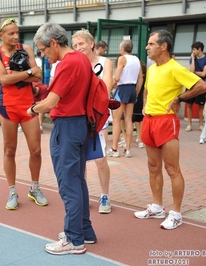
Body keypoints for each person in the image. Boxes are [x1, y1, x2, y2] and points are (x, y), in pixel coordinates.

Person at [29, 21, 97, 255]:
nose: (42, 53)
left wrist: (31, 110)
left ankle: (73, 238)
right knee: (78, 181)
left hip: (67, 126)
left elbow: (51, 102)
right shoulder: (82, 60)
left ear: (54, 43)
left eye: (43, 49)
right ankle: (84, 231)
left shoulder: (68, 63)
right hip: (81, 124)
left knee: (69, 184)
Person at [134, 29, 206, 230]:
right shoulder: (151, 69)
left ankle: (176, 213)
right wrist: (145, 105)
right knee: (153, 167)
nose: (147, 47)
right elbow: (148, 90)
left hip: (166, 121)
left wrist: (180, 98)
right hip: (149, 120)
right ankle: (157, 207)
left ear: (163, 46)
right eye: (147, 44)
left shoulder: (175, 68)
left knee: (172, 169)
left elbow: (202, 85)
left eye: (151, 44)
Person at [0, 18, 47, 210]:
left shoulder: (26, 49)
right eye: (11, 33)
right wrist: (27, 73)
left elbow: (39, 75)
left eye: (17, 33)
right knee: (9, 151)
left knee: (36, 150)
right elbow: (4, 80)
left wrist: (17, 75)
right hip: (8, 107)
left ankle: (35, 187)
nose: (15, 36)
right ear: (1, 35)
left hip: (29, 106)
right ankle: (12, 191)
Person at [71, 29, 114, 214]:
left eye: (81, 44)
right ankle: (84, 194)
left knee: (100, 159)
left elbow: (106, 88)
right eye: (75, 46)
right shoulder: (75, 64)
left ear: (91, 44)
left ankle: (105, 196)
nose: (78, 48)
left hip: (98, 116)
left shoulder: (105, 62)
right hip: (79, 115)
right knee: (81, 160)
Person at [107, 39, 143, 158]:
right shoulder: (137, 59)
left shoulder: (122, 58)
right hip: (132, 89)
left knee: (116, 120)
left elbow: (117, 77)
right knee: (128, 120)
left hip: (122, 89)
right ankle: (127, 150)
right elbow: (140, 79)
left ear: (122, 49)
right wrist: (136, 93)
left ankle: (115, 149)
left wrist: (109, 87)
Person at [185, 41, 206, 132]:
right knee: (189, 104)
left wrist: (193, 72)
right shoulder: (192, 58)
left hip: (201, 85)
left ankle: (201, 125)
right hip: (191, 84)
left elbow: (204, 73)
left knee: (201, 105)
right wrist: (192, 59)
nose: (193, 51)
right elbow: (191, 69)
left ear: (199, 49)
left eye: (194, 49)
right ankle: (189, 124)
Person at [132, 61, 147, 148]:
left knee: (137, 118)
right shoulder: (146, 77)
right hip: (144, 98)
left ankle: (139, 137)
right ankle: (140, 137)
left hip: (139, 98)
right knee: (141, 118)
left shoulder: (137, 79)